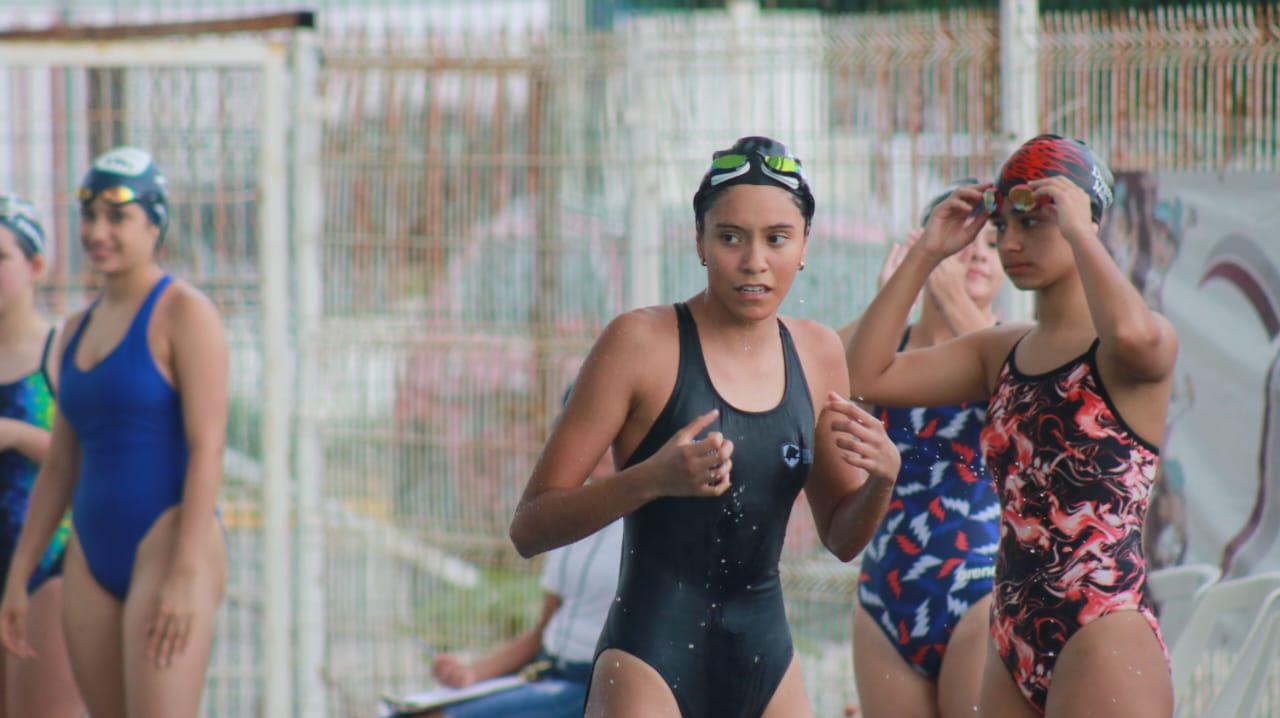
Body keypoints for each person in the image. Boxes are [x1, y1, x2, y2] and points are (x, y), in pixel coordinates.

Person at [510, 136, 901, 718]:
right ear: (699, 241)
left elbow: (843, 540)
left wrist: (881, 480)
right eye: (730, 237)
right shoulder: (640, 343)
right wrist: (649, 479)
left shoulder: (818, 353)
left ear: (803, 247)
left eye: (776, 238)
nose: (754, 262)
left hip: (767, 659)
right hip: (648, 658)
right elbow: (530, 527)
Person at [847, 134, 1175, 718]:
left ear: (1082, 218)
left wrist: (1079, 229)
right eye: (1003, 225)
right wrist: (926, 253)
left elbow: (1133, 336)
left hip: (1100, 631)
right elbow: (866, 373)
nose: (1012, 243)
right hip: (1011, 634)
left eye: (1034, 222)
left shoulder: (1129, 350)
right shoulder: (999, 352)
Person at [0, 147, 229, 718]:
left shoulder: (184, 312)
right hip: (91, 555)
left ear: (155, 225)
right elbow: (61, 467)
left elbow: (208, 448)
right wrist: (20, 575)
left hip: (167, 541)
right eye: (88, 215)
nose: (97, 231)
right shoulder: (76, 330)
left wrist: (186, 571)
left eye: (117, 216)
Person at [837, 180, 1003, 718]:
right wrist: (894, 295)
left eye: (995, 244)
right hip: (887, 594)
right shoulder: (883, 352)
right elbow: (820, 374)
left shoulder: (1013, 343)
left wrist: (947, 290)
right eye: (967, 238)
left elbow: (1020, 392)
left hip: (979, 587)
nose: (978, 251)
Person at [431, 440, 622, 718]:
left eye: (612, 436)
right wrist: (470, 673)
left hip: (597, 688)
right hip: (550, 674)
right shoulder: (568, 519)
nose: (600, 447)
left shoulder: (651, 526)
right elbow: (540, 634)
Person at [0, 195, 84, 717]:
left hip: (46, 566)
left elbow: (94, 459)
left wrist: (16, 434)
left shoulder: (61, 353)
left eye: (0, 259)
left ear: (35, 267)